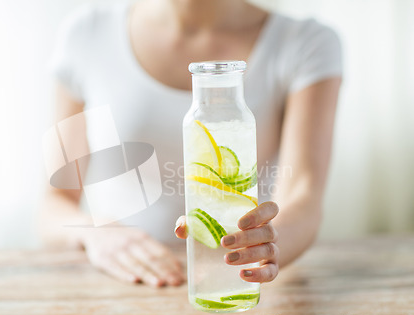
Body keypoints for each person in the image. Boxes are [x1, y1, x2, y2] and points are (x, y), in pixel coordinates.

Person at [41, 0, 342, 287]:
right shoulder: (87, 33)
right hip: (118, 282)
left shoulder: (305, 42)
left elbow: (303, 197)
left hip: (236, 279)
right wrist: (97, 234)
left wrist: (268, 245)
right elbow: (54, 204)